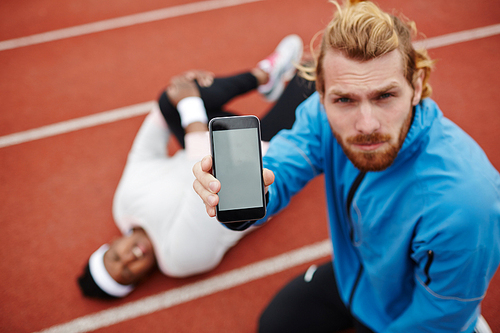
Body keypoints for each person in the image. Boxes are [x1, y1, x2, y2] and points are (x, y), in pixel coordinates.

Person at [192, 1, 500, 332]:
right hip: (358, 274)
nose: (366, 124)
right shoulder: (321, 115)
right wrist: (247, 193)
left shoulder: (467, 204)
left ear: (417, 85)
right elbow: (287, 160)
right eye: (345, 100)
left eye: (384, 96)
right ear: (322, 94)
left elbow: (439, 318)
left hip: (410, 314)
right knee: (274, 325)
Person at [77, 34, 316, 299]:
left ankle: (264, 75)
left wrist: (180, 89)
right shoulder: (178, 259)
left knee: (170, 99)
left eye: (114, 258)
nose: (128, 259)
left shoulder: (123, 206)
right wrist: (191, 105)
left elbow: (144, 150)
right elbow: (209, 178)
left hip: (207, 138)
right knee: (316, 74)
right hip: (256, 163)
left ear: (110, 245)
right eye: (128, 272)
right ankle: (302, 83)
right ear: (143, 277)